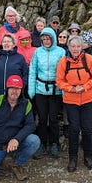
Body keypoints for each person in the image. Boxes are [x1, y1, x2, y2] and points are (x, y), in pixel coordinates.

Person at [56, 35, 92, 172]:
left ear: (82, 47)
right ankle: (72, 158)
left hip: (88, 98)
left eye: (77, 46)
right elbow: (59, 81)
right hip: (71, 100)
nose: (75, 49)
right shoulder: (63, 62)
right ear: (68, 48)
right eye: (72, 46)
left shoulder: (89, 59)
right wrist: (72, 88)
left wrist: (84, 87)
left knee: (87, 129)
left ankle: (88, 157)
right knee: (73, 129)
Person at [28, 27, 65, 158]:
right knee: (42, 119)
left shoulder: (61, 52)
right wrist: (31, 90)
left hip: (56, 91)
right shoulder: (37, 52)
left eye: (48, 38)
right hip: (40, 90)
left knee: (54, 119)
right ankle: (42, 144)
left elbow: (64, 72)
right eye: (43, 39)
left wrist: (64, 91)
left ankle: (54, 144)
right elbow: (32, 71)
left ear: (53, 38)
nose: (46, 41)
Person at [0, 33, 28, 100]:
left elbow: (26, 74)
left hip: (14, 95)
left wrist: (21, 86)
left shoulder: (20, 58)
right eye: (4, 42)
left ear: (13, 44)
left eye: (9, 41)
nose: (6, 44)